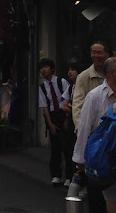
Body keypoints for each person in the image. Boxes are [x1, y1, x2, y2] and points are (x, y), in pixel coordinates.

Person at [72, 57, 116, 213]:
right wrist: (80, 160)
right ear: (112, 73)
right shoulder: (95, 96)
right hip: (99, 158)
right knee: (98, 203)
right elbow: (84, 128)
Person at [38, 58, 71, 187]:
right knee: (55, 146)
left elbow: (68, 99)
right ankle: (56, 175)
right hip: (52, 116)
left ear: (52, 69)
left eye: (45, 67)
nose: (43, 70)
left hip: (63, 113)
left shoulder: (61, 82)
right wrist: (50, 123)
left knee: (67, 146)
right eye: (41, 68)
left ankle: (69, 176)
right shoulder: (42, 87)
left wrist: (67, 118)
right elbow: (45, 107)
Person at [72, 41, 110, 131]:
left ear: (107, 55)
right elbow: (77, 105)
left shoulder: (112, 74)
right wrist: (80, 129)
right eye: (93, 52)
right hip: (93, 129)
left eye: (99, 53)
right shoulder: (83, 77)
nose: (96, 56)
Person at [61, 63, 81, 187]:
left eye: (73, 70)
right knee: (68, 149)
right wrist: (71, 107)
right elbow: (64, 106)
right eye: (69, 70)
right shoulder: (70, 88)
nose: (70, 72)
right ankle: (69, 176)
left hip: (80, 121)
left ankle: (78, 177)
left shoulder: (82, 87)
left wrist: (71, 107)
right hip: (71, 122)